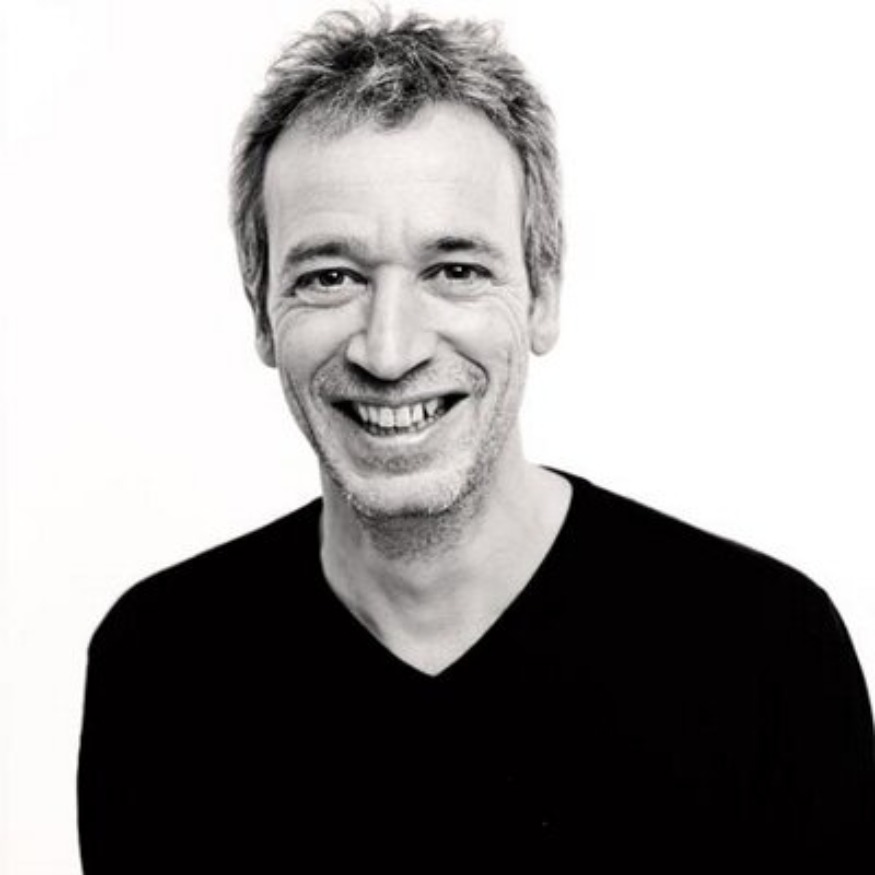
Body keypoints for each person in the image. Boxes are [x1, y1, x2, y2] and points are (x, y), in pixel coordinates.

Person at [77, 8, 875, 871]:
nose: (389, 349)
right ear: (263, 315)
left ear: (541, 296)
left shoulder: (763, 652)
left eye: (455, 270)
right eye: (329, 276)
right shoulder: (158, 664)